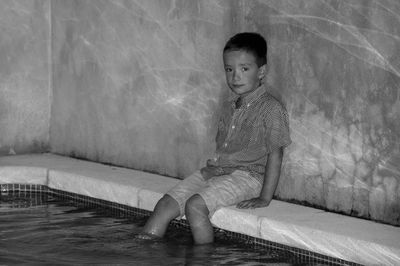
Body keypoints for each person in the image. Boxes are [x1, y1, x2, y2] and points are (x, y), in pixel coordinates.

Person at [139, 32, 291, 245]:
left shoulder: (271, 109)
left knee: (194, 207)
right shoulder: (229, 105)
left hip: (248, 177)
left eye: (244, 69)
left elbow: (276, 154)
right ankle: (141, 253)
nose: (235, 77)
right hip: (217, 171)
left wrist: (265, 197)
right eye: (229, 70)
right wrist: (213, 170)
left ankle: (203, 259)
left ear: (261, 71)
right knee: (164, 205)